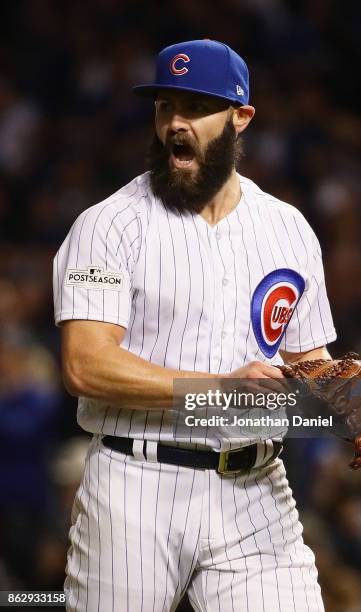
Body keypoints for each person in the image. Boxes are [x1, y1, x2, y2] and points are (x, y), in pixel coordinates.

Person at [53, 39, 338, 612]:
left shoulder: (288, 228)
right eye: (165, 106)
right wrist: (220, 390)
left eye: (196, 107)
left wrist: (351, 398)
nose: (176, 124)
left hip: (257, 492)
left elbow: (309, 361)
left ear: (241, 118)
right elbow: (86, 364)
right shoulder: (108, 226)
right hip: (137, 484)